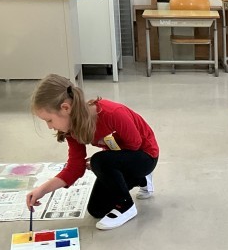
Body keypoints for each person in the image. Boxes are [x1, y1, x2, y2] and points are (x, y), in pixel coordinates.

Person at [26, 74, 159, 230]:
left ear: (65, 108)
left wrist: (107, 160)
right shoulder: (71, 129)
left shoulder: (111, 113)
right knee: (97, 209)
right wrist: (42, 190)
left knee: (99, 160)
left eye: (49, 120)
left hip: (145, 156)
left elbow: (134, 144)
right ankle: (142, 180)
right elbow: (75, 167)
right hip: (125, 159)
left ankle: (126, 207)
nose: (49, 126)